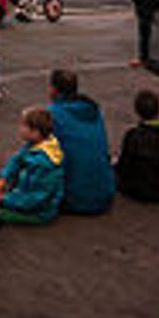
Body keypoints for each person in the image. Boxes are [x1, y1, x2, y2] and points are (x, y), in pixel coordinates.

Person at [48, 69, 115, 214]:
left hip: (72, 200)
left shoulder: (54, 113)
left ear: (53, 89)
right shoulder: (94, 110)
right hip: (104, 196)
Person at [0, 106, 65, 225]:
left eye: (24, 126)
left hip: (39, 212)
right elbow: (16, 160)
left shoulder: (44, 164)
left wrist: (4, 200)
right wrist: (4, 179)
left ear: (35, 132)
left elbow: (35, 199)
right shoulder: (38, 144)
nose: (20, 129)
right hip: (25, 198)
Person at [115, 89, 159, 202]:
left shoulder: (132, 135)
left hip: (137, 189)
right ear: (158, 110)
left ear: (137, 111)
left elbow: (124, 165)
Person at [130, 0, 159, 66]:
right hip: (150, 8)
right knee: (149, 33)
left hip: (146, 8)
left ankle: (145, 57)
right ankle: (147, 57)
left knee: (146, 34)